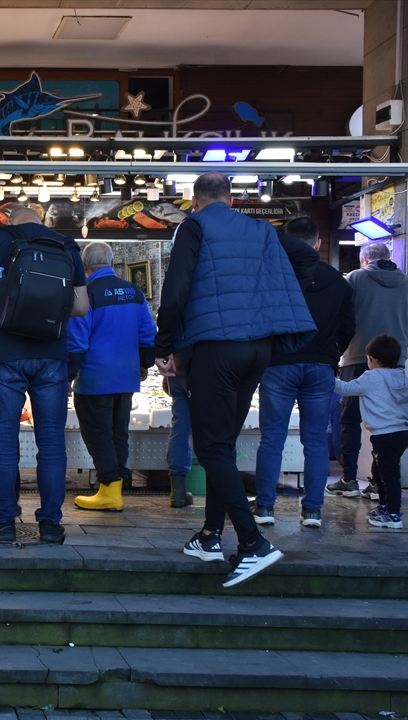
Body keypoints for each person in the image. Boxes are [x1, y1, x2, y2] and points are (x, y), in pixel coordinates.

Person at [154, 172, 316, 587]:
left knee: (209, 446)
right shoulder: (263, 229)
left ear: (195, 200)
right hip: (259, 347)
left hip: (217, 347)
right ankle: (210, 536)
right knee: (222, 443)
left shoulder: (194, 226)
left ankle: (252, 542)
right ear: (232, 197)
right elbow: (293, 268)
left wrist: (164, 343)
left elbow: (176, 288)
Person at [0, 204, 89, 543]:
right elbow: (80, 307)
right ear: (43, 221)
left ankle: (3, 520)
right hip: (51, 355)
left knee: (3, 443)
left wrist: (3, 304)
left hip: (6, 354)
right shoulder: (66, 246)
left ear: (8, 220)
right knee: (51, 444)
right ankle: (51, 524)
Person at [252, 218, 355, 528]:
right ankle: (312, 510)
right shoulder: (339, 282)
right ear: (319, 243)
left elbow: (261, 319)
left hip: (279, 364)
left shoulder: (275, 275)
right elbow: (348, 327)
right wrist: (331, 354)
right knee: (314, 441)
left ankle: (266, 507)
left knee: (272, 439)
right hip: (321, 366)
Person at [66, 242, 156, 512]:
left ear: (84, 267)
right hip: (126, 379)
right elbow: (148, 334)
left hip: (95, 379)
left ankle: (109, 489)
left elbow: (77, 341)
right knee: (118, 433)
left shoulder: (86, 293)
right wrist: (144, 364)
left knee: (97, 434)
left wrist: (69, 376)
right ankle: (116, 487)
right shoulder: (134, 292)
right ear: (113, 263)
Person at [328, 241, 408, 498]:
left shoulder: (356, 278)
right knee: (389, 422)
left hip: (359, 356)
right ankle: (377, 482)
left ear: (365, 260)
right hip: (396, 361)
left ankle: (348, 478)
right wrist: (396, 344)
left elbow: (341, 315)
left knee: (349, 420)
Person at [334, 335, 408, 529]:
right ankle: (384, 507)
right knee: (379, 473)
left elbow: (346, 388)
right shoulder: (405, 379)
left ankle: (393, 515)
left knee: (389, 476)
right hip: (401, 433)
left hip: (384, 435)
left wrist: (327, 376)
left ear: (373, 359)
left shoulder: (371, 377)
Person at [165, 362, 194, 508]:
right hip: (213, 367)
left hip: (178, 367)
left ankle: (177, 493)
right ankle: (224, 494)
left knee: (180, 427)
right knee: (220, 428)